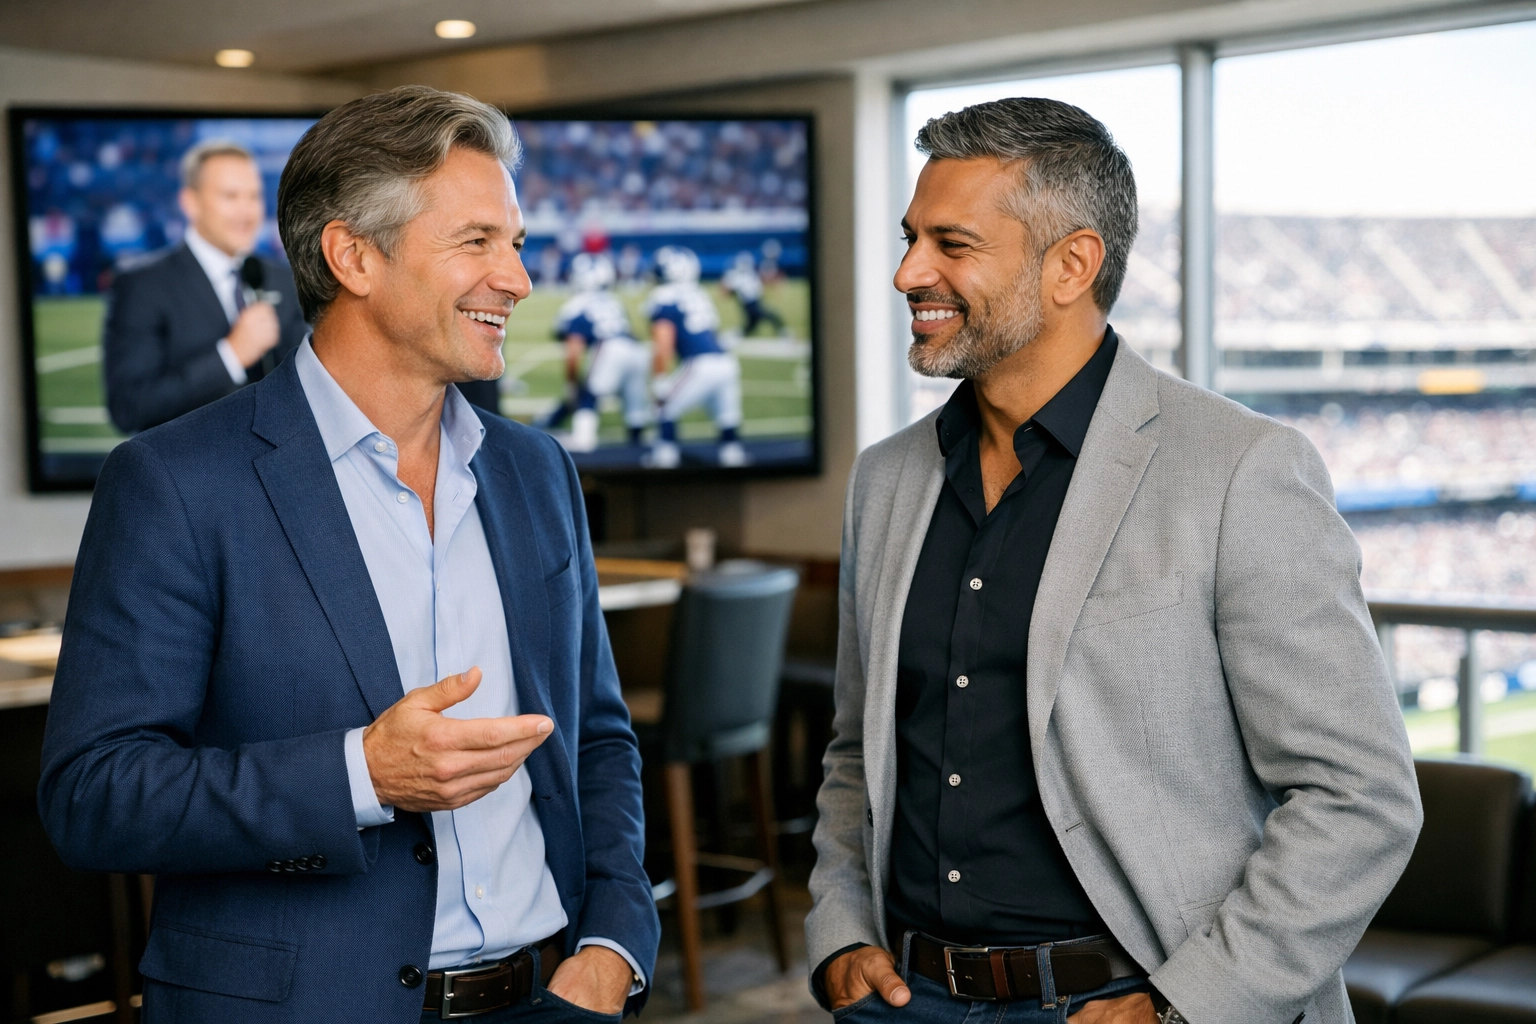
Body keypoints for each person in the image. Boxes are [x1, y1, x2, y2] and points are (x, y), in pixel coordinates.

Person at [40, 86, 659, 1023]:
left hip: (549, 999)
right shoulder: (174, 481)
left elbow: (596, 739)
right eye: (477, 241)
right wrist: (361, 775)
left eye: (517, 244)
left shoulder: (538, 472)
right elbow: (94, 795)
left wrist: (614, 944)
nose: (518, 280)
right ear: (353, 256)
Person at [805, 98, 1422, 1024]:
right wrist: (841, 929)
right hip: (908, 997)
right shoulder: (885, 478)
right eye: (910, 238)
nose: (907, 272)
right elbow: (859, 749)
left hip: (1129, 1006)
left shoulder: (1241, 468)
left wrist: (1185, 1007)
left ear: (1072, 265)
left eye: (951, 243)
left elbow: (1359, 798)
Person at [102, 139, 307, 433]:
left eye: (254, 196)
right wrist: (231, 356)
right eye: (231, 196)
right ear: (190, 202)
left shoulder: (281, 278)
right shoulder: (142, 285)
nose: (247, 211)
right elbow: (129, 407)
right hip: (187, 474)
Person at [643, 245, 746, 468]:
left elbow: (663, 343)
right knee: (727, 420)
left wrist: (660, 379)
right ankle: (733, 457)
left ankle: (665, 457)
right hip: (726, 363)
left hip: (700, 364)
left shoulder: (662, 297)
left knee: (662, 406)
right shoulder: (699, 293)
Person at [545, 252, 651, 451]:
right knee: (633, 398)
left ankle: (583, 439)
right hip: (637, 349)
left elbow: (573, 352)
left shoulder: (575, 306)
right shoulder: (613, 300)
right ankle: (637, 445)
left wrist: (571, 384)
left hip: (611, 348)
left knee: (588, 393)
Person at [721, 251, 786, 337]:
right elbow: (728, 289)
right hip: (749, 304)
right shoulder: (736, 275)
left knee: (751, 325)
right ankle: (783, 332)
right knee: (769, 316)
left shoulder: (750, 273)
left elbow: (761, 283)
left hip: (754, 301)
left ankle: (735, 334)